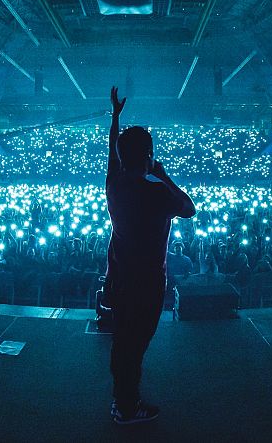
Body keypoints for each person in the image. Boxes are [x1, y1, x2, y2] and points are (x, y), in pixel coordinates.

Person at [104, 87, 196, 425]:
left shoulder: (114, 184)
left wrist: (115, 117)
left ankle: (121, 399)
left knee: (122, 339)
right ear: (150, 156)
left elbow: (112, 152)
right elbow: (189, 208)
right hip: (147, 285)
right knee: (136, 345)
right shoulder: (158, 194)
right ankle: (128, 407)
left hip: (118, 280)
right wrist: (163, 174)